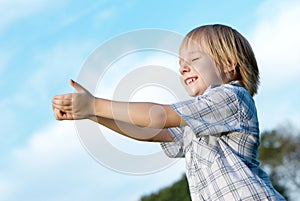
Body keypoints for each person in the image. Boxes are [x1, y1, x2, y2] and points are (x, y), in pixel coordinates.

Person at [52, 24, 285, 200]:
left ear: (228, 64)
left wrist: (95, 104)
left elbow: (161, 116)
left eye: (193, 59)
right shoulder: (199, 121)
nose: (183, 68)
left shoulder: (231, 97)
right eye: (181, 63)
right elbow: (152, 131)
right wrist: (93, 115)